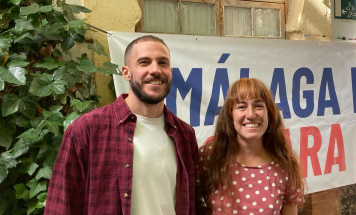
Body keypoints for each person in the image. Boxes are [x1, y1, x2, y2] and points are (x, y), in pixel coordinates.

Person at [45, 35, 198, 215]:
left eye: (162, 63)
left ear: (171, 71)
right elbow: (61, 207)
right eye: (144, 62)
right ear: (126, 72)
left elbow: (193, 204)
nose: (155, 70)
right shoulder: (87, 130)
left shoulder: (185, 135)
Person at [197, 78, 305, 215]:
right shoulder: (210, 155)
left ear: (270, 114)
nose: (251, 115)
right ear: (230, 115)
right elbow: (187, 201)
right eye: (241, 106)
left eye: (258, 106)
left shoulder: (284, 164)